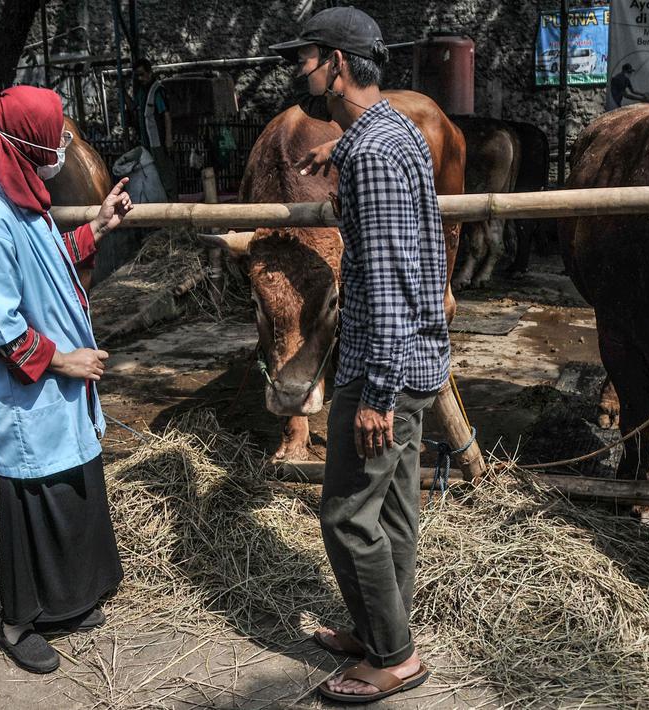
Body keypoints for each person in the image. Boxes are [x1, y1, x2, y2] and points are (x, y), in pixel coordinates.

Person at [271, 7, 447, 703]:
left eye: (305, 58)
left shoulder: (370, 153)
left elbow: (389, 277)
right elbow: (371, 151)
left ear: (336, 64)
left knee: (344, 514)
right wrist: (332, 152)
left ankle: (394, 660)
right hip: (415, 362)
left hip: (385, 368)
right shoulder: (387, 130)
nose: (299, 70)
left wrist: (374, 393)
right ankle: (378, 631)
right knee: (396, 508)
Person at [0, 85, 133, 674]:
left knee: (71, 491)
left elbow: (51, 261)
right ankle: (18, 620)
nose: (60, 153)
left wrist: (98, 226)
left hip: (57, 395)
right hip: (26, 395)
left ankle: (66, 603)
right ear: (27, 147)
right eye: (53, 142)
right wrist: (64, 360)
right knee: (33, 505)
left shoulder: (24, 201)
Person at [132, 58, 177, 200]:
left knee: (165, 173)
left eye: (142, 74)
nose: (140, 78)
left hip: (158, 140)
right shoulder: (142, 92)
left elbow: (166, 114)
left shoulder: (157, 91)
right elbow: (135, 108)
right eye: (137, 75)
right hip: (147, 142)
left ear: (150, 73)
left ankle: (173, 201)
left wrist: (168, 138)